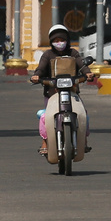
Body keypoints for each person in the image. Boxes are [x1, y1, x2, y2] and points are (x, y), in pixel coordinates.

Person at [31, 26, 91, 157]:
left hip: (72, 92)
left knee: (83, 115)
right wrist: (36, 76)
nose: (59, 43)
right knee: (44, 117)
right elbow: (41, 68)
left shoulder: (73, 53)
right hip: (51, 93)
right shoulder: (47, 55)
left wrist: (88, 73)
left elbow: (82, 65)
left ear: (67, 40)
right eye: (56, 40)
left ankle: (83, 140)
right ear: (51, 41)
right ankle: (45, 142)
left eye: (62, 39)